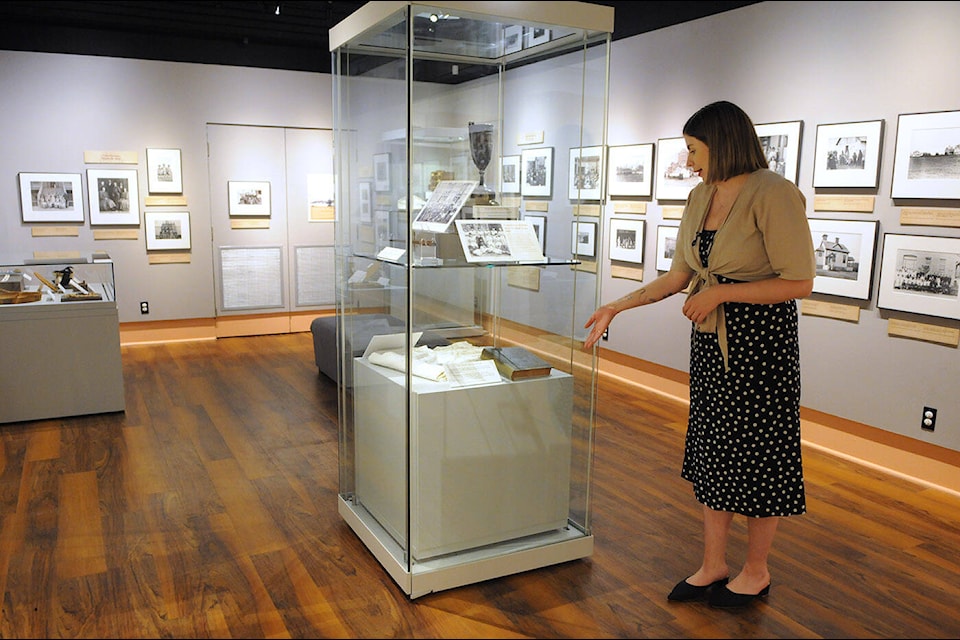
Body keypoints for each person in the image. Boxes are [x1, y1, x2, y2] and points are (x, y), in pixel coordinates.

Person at [582, 100, 815, 609]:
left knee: (759, 456)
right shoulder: (699, 196)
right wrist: (616, 306)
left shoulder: (773, 194)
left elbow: (799, 281)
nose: (689, 162)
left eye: (693, 150)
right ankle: (714, 563)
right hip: (712, 342)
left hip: (761, 346)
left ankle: (756, 570)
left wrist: (723, 293)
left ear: (722, 143)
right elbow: (680, 277)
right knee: (713, 450)